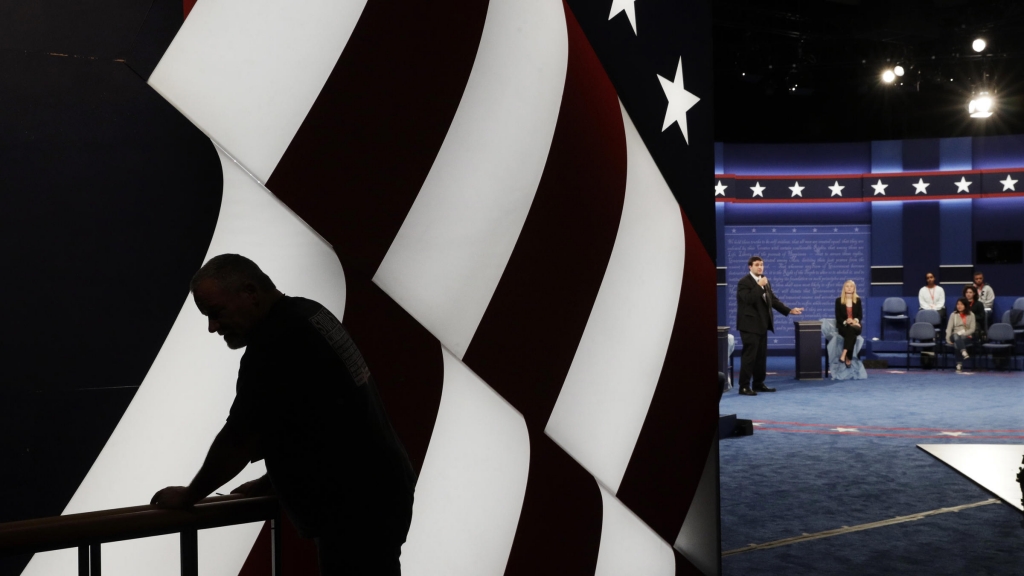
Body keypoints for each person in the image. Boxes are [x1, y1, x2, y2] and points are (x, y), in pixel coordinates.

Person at [151, 254, 416, 575]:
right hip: (378, 493)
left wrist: (190, 495)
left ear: (250, 293)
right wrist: (273, 480)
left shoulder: (273, 346)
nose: (212, 327)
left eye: (216, 313)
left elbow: (239, 439)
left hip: (355, 509)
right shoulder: (309, 313)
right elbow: (323, 419)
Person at [735, 256, 803, 396]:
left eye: (761, 265)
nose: (760, 267)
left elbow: (773, 300)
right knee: (749, 357)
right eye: (757, 265)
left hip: (762, 325)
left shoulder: (765, 281)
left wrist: (789, 310)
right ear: (750, 267)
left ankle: (758, 384)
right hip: (749, 326)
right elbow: (748, 299)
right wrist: (759, 286)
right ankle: (744, 386)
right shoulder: (744, 282)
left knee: (761, 357)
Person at [835, 280, 863, 367]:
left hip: (855, 326)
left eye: (851, 286)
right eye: (847, 286)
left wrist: (854, 321)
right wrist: (846, 321)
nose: (849, 288)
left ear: (854, 288)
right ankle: (847, 357)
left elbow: (860, 315)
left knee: (852, 329)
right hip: (844, 326)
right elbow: (838, 317)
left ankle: (844, 353)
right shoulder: (838, 301)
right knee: (852, 334)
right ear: (844, 288)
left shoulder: (857, 300)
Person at [946, 297, 976, 372]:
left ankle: (959, 364)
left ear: (965, 305)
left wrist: (964, 334)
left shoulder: (971, 315)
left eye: (961, 304)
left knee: (957, 343)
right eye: (958, 304)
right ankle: (964, 352)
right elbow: (949, 328)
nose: (959, 306)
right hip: (954, 335)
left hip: (966, 336)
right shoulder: (953, 314)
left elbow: (972, 329)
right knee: (956, 335)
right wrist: (947, 339)